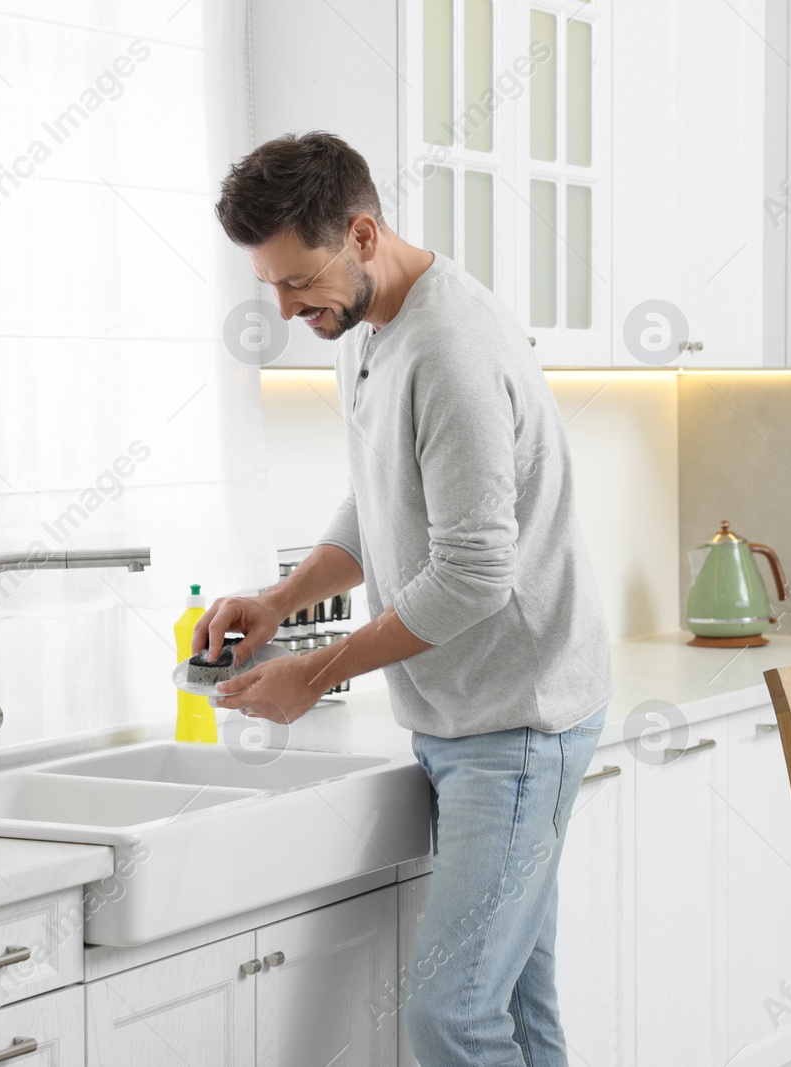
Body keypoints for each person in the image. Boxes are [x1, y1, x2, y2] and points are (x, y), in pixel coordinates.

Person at [199, 130, 612, 1067]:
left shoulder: (448, 347)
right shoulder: (364, 324)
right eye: (267, 285)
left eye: (297, 279)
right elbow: (382, 499)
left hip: (519, 721)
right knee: (518, 1007)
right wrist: (281, 601)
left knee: (450, 1018)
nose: (284, 304)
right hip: (474, 715)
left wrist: (315, 672)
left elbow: (472, 570)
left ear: (362, 232)